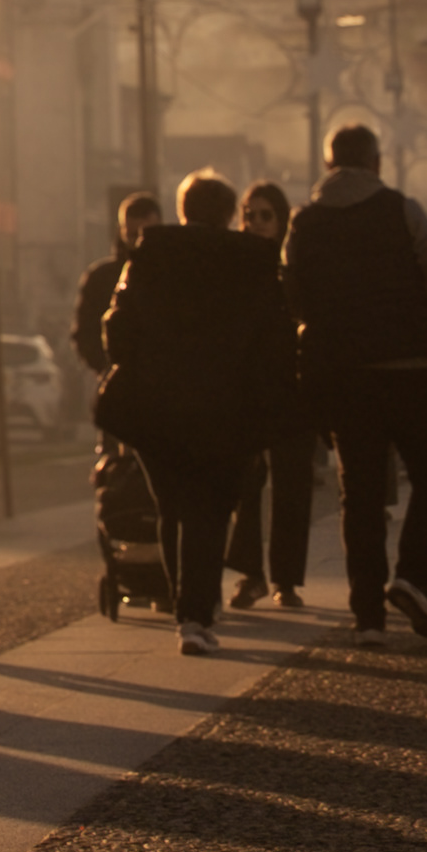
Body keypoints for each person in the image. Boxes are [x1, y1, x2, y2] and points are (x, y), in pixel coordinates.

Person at [95, 171, 302, 651]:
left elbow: (117, 329)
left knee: (172, 506)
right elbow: (276, 339)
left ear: (182, 211)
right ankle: (196, 613)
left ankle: (184, 605)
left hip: (155, 407)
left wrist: (143, 364)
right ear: (229, 215)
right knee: (211, 509)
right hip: (228, 407)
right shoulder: (253, 260)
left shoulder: (149, 254)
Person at [283, 117, 427, 642]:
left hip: (344, 376)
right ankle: (412, 577)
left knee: (360, 494)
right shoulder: (401, 209)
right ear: (376, 162)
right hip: (412, 368)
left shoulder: (303, 223)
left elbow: (293, 298)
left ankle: (368, 615)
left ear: (328, 165)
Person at [221, 180, 315, 611]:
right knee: (246, 482)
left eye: (265, 215)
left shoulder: (293, 270)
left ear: (281, 220)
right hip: (246, 389)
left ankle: (286, 578)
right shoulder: (234, 270)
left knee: (292, 485)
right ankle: (250, 574)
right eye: (249, 215)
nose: (256, 223)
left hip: (292, 388)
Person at [74, 195, 162, 382]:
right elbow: (86, 333)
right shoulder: (101, 278)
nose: (139, 242)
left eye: (145, 235)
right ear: (122, 232)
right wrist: (106, 367)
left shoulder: (172, 274)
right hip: (120, 379)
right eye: (133, 235)